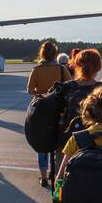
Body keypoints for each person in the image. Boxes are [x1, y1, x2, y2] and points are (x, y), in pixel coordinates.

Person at [56, 48, 102, 203]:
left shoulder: (65, 89)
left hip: (68, 151)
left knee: (68, 199)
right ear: (98, 67)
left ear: (75, 65)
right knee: (99, 197)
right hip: (100, 152)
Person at [26, 41, 72, 186]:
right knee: (59, 145)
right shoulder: (61, 69)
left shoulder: (36, 69)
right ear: (55, 53)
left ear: (42, 54)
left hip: (41, 111)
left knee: (41, 143)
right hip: (58, 110)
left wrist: (41, 93)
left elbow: (29, 90)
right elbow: (70, 86)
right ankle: (58, 175)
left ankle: (44, 177)